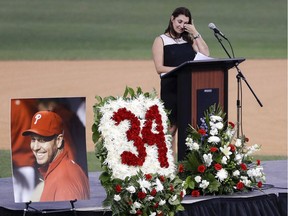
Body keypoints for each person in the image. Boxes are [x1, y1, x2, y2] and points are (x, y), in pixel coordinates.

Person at [152, 7, 210, 152]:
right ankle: (169, 168)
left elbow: (206, 54)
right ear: (172, 19)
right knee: (171, 130)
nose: (181, 25)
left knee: (189, 128)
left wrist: (195, 32)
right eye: (179, 21)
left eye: (185, 23)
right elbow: (159, 67)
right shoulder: (161, 40)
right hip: (171, 90)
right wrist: (182, 69)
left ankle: (186, 166)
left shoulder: (188, 39)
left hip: (189, 89)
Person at [22, 110, 90, 202]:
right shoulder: (62, 168)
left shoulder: (65, 184)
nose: (35, 147)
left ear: (58, 140)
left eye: (42, 140)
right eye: (33, 139)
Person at [11, 99, 38, 202]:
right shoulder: (31, 107)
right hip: (27, 163)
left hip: (15, 163)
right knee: (27, 202)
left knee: (16, 200)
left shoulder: (15, 107)